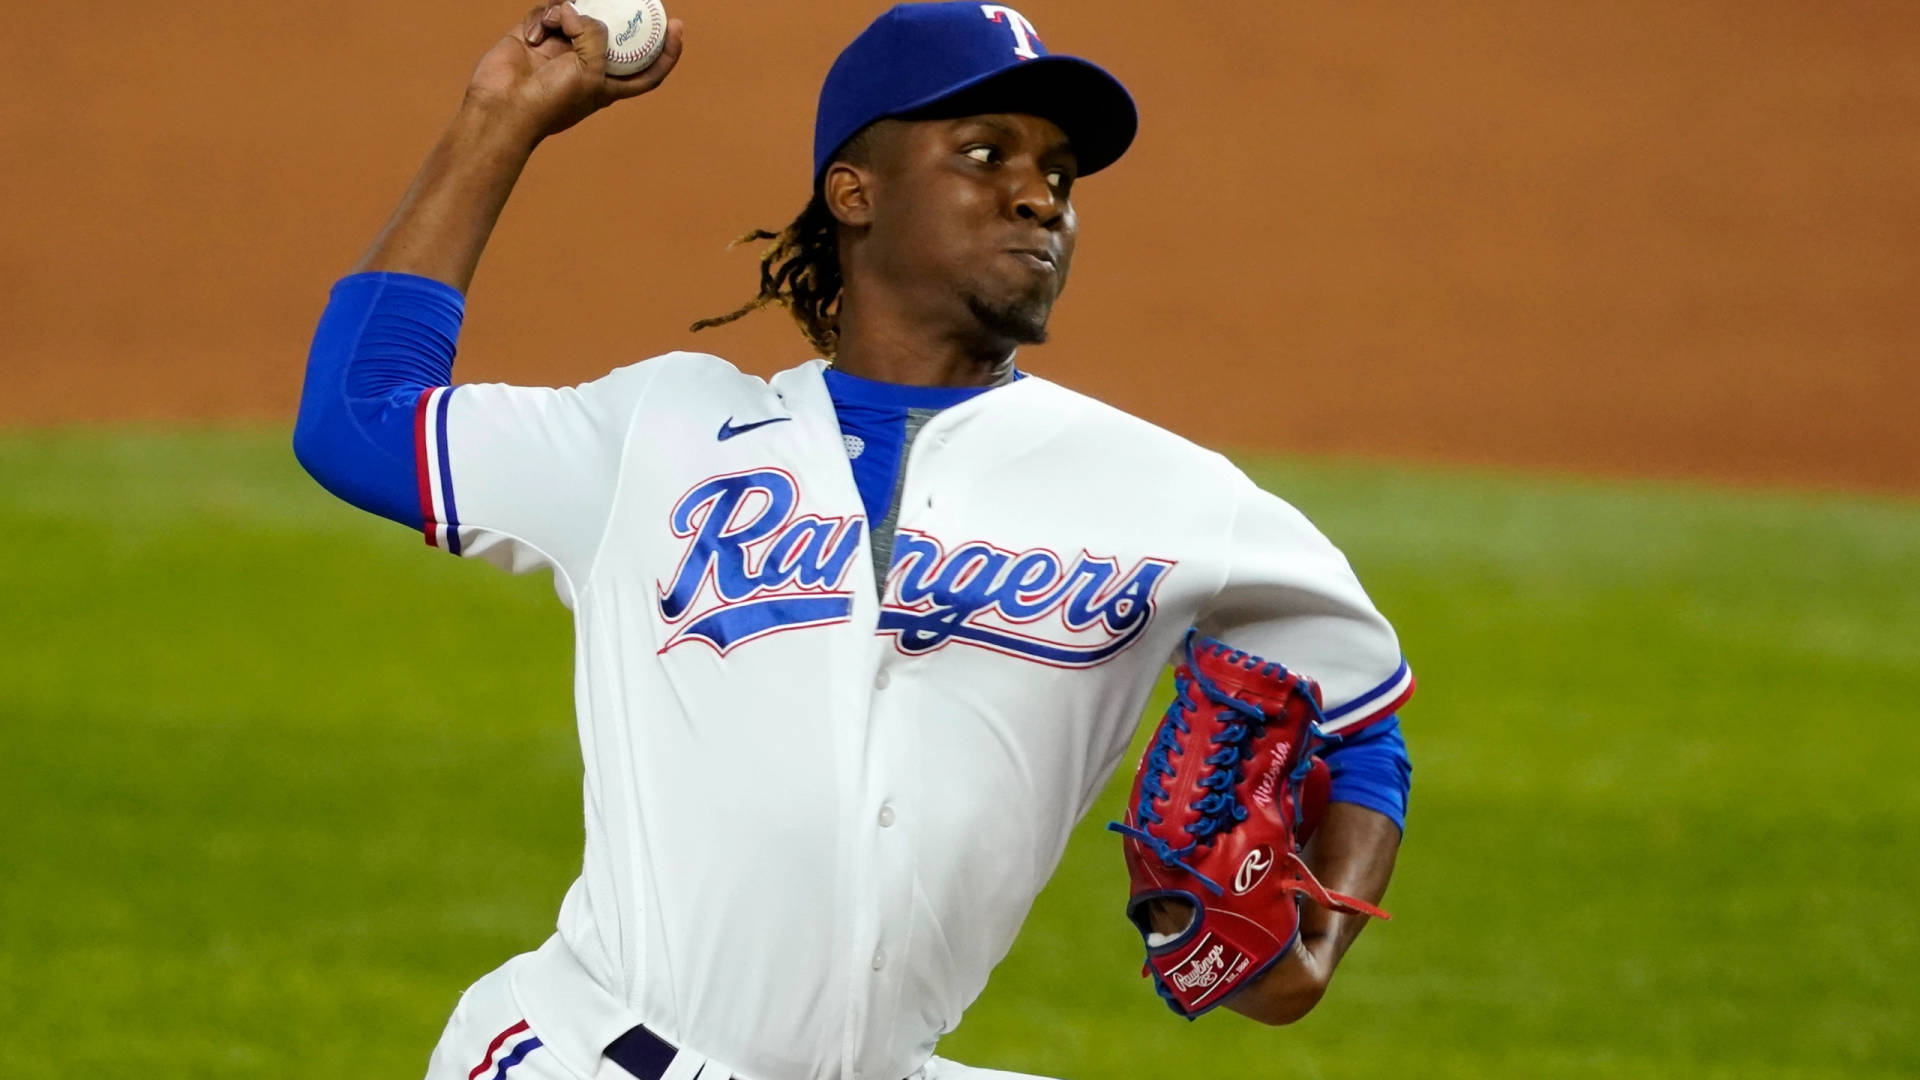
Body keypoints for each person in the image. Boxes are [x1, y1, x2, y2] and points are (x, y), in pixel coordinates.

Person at [293, 3, 1414, 1078]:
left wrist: (1312, 957)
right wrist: (501, 116)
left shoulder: (1173, 498)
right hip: (588, 1054)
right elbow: (358, 420)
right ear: (854, 192)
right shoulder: (659, 433)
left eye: (1058, 177)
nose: (1039, 198)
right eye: (986, 154)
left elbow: (1361, 718)